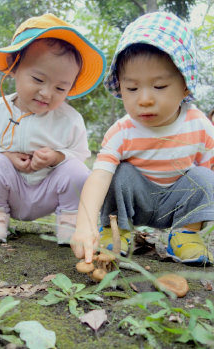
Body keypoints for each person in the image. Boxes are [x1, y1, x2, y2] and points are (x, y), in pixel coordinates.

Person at [71, 11, 214, 266]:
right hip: (135, 202)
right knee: (118, 172)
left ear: (185, 85)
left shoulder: (199, 125)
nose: (144, 98)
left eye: (159, 87)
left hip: (177, 202)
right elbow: (99, 177)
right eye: (132, 88)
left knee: (206, 177)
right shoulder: (122, 131)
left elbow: (208, 175)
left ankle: (186, 235)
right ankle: (117, 233)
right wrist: (84, 225)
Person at [0, 13, 106, 244]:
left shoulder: (69, 119)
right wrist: (6, 156)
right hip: (7, 189)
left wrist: (56, 156)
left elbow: (80, 154)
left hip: (48, 190)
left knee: (79, 173)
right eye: (38, 79)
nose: (47, 93)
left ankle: (70, 223)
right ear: (14, 68)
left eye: (60, 88)